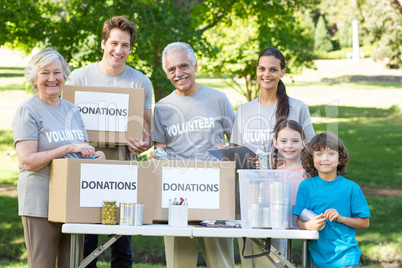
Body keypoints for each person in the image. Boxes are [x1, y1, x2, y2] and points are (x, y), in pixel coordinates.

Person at [67, 16, 153, 267]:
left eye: (125, 45)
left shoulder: (140, 82)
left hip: (123, 169)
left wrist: (144, 143)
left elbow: (146, 132)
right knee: (86, 244)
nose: (119, 50)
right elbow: (68, 126)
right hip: (86, 167)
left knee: (122, 245)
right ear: (103, 43)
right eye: (114, 43)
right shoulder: (79, 78)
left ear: (130, 48)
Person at [12, 47, 105, 268]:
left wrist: (94, 156)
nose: (52, 78)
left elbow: (78, 152)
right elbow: (27, 161)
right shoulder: (28, 110)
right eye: (45, 72)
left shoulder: (72, 110)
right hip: (40, 204)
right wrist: (64, 149)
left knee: (71, 264)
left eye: (57, 72)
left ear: (65, 75)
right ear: (34, 78)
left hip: (72, 203)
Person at [152, 42, 236, 267]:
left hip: (214, 190)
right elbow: (161, 149)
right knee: (180, 261)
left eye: (183, 66)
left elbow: (236, 142)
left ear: (195, 65)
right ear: (166, 72)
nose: (178, 74)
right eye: (171, 69)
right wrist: (156, 156)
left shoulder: (218, 99)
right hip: (177, 193)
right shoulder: (162, 107)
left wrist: (227, 153)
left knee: (221, 261)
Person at [230, 48, 315, 268]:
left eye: (273, 69)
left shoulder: (297, 107)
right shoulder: (244, 110)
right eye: (262, 68)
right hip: (250, 194)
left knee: (277, 258)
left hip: (283, 193)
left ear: (282, 73)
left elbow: (311, 149)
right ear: (256, 71)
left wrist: (284, 161)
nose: (266, 74)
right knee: (250, 257)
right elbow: (236, 149)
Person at [294, 132, 370, 268]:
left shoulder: (351, 188)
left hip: (346, 259)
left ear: (340, 159)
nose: (325, 158)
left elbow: (364, 223)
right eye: (319, 154)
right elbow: (298, 221)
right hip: (316, 258)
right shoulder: (305, 187)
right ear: (312, 158)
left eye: (331, 153)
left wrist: (341, 218)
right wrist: (307, 226)